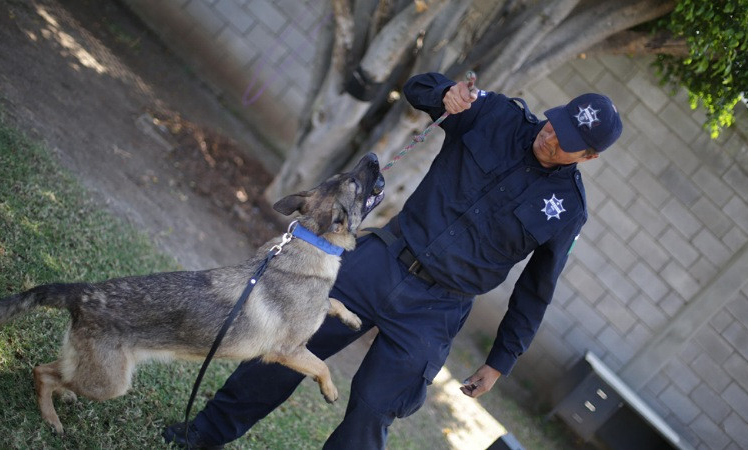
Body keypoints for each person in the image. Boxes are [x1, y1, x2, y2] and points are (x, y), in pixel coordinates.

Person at [162, 72, 623, 449]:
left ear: (590, 155)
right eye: (553, 123)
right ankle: (205, 433)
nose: (549, 135)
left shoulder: (568, 209)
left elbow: (536, 291)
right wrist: (446, 94)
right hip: (380, 259)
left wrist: (501, 361)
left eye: (565, 140)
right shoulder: (498, 115)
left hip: (438, 308)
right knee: (285, 350)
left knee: (373, 409)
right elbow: (418, 87)